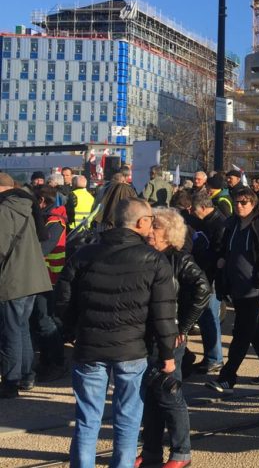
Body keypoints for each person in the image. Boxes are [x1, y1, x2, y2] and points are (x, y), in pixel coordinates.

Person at [55, 198, 177, 467]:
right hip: (132, 350)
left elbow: (62, 297)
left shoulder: (83, 254)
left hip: (89, 346)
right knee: (128, 420)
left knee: (87, 420)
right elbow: (164, 313)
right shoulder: (154, 260)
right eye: (150, 221)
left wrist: (73, 329)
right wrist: (168, 353)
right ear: (141, 222)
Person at [138, 208, 210, 468]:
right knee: (152, 395)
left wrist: (185, 327)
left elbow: (203, 289)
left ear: (168, 232)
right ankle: (151, 451)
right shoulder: (147, 255)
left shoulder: (179, 259)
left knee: (170, 395)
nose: (149, 231)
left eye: (154, 226)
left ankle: (181, 453)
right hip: (147, 334)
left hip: (170, 336)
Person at [206, 187, 259, 393]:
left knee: (241, 332)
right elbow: (224, 247)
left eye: (244, 202)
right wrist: (221, 261)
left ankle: (228, 377)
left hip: (254, 287)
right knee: (256, 329)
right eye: (237, 202)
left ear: (253, 203)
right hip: (236, 285)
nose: (240, 206)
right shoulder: (232, 224)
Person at [0, 173, 52, 398]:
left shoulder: (5, 209)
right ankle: (26, 375)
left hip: (13, 278)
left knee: (10, 331)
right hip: (32, 277)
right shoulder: (26, 205)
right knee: (22, 329)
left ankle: (10, 382)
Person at [32, 186, 69, 382]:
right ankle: (47, 361)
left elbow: (43, 249)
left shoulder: (55, 222)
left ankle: (57, 362)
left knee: (46, 321)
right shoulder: (49, 219)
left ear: (42, 202)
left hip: (49, 278)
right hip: (44, 276)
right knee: (42, 320)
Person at [189, 190, 227, 374]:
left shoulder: (218, 223)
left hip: (210, 277)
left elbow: (217, 252)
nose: (192, 212)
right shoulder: (207, 220)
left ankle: (214, 358)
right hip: (205, 275)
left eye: (194, 209)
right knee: (206, 318)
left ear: (204, 208)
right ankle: (211, 357)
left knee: (210, 317)